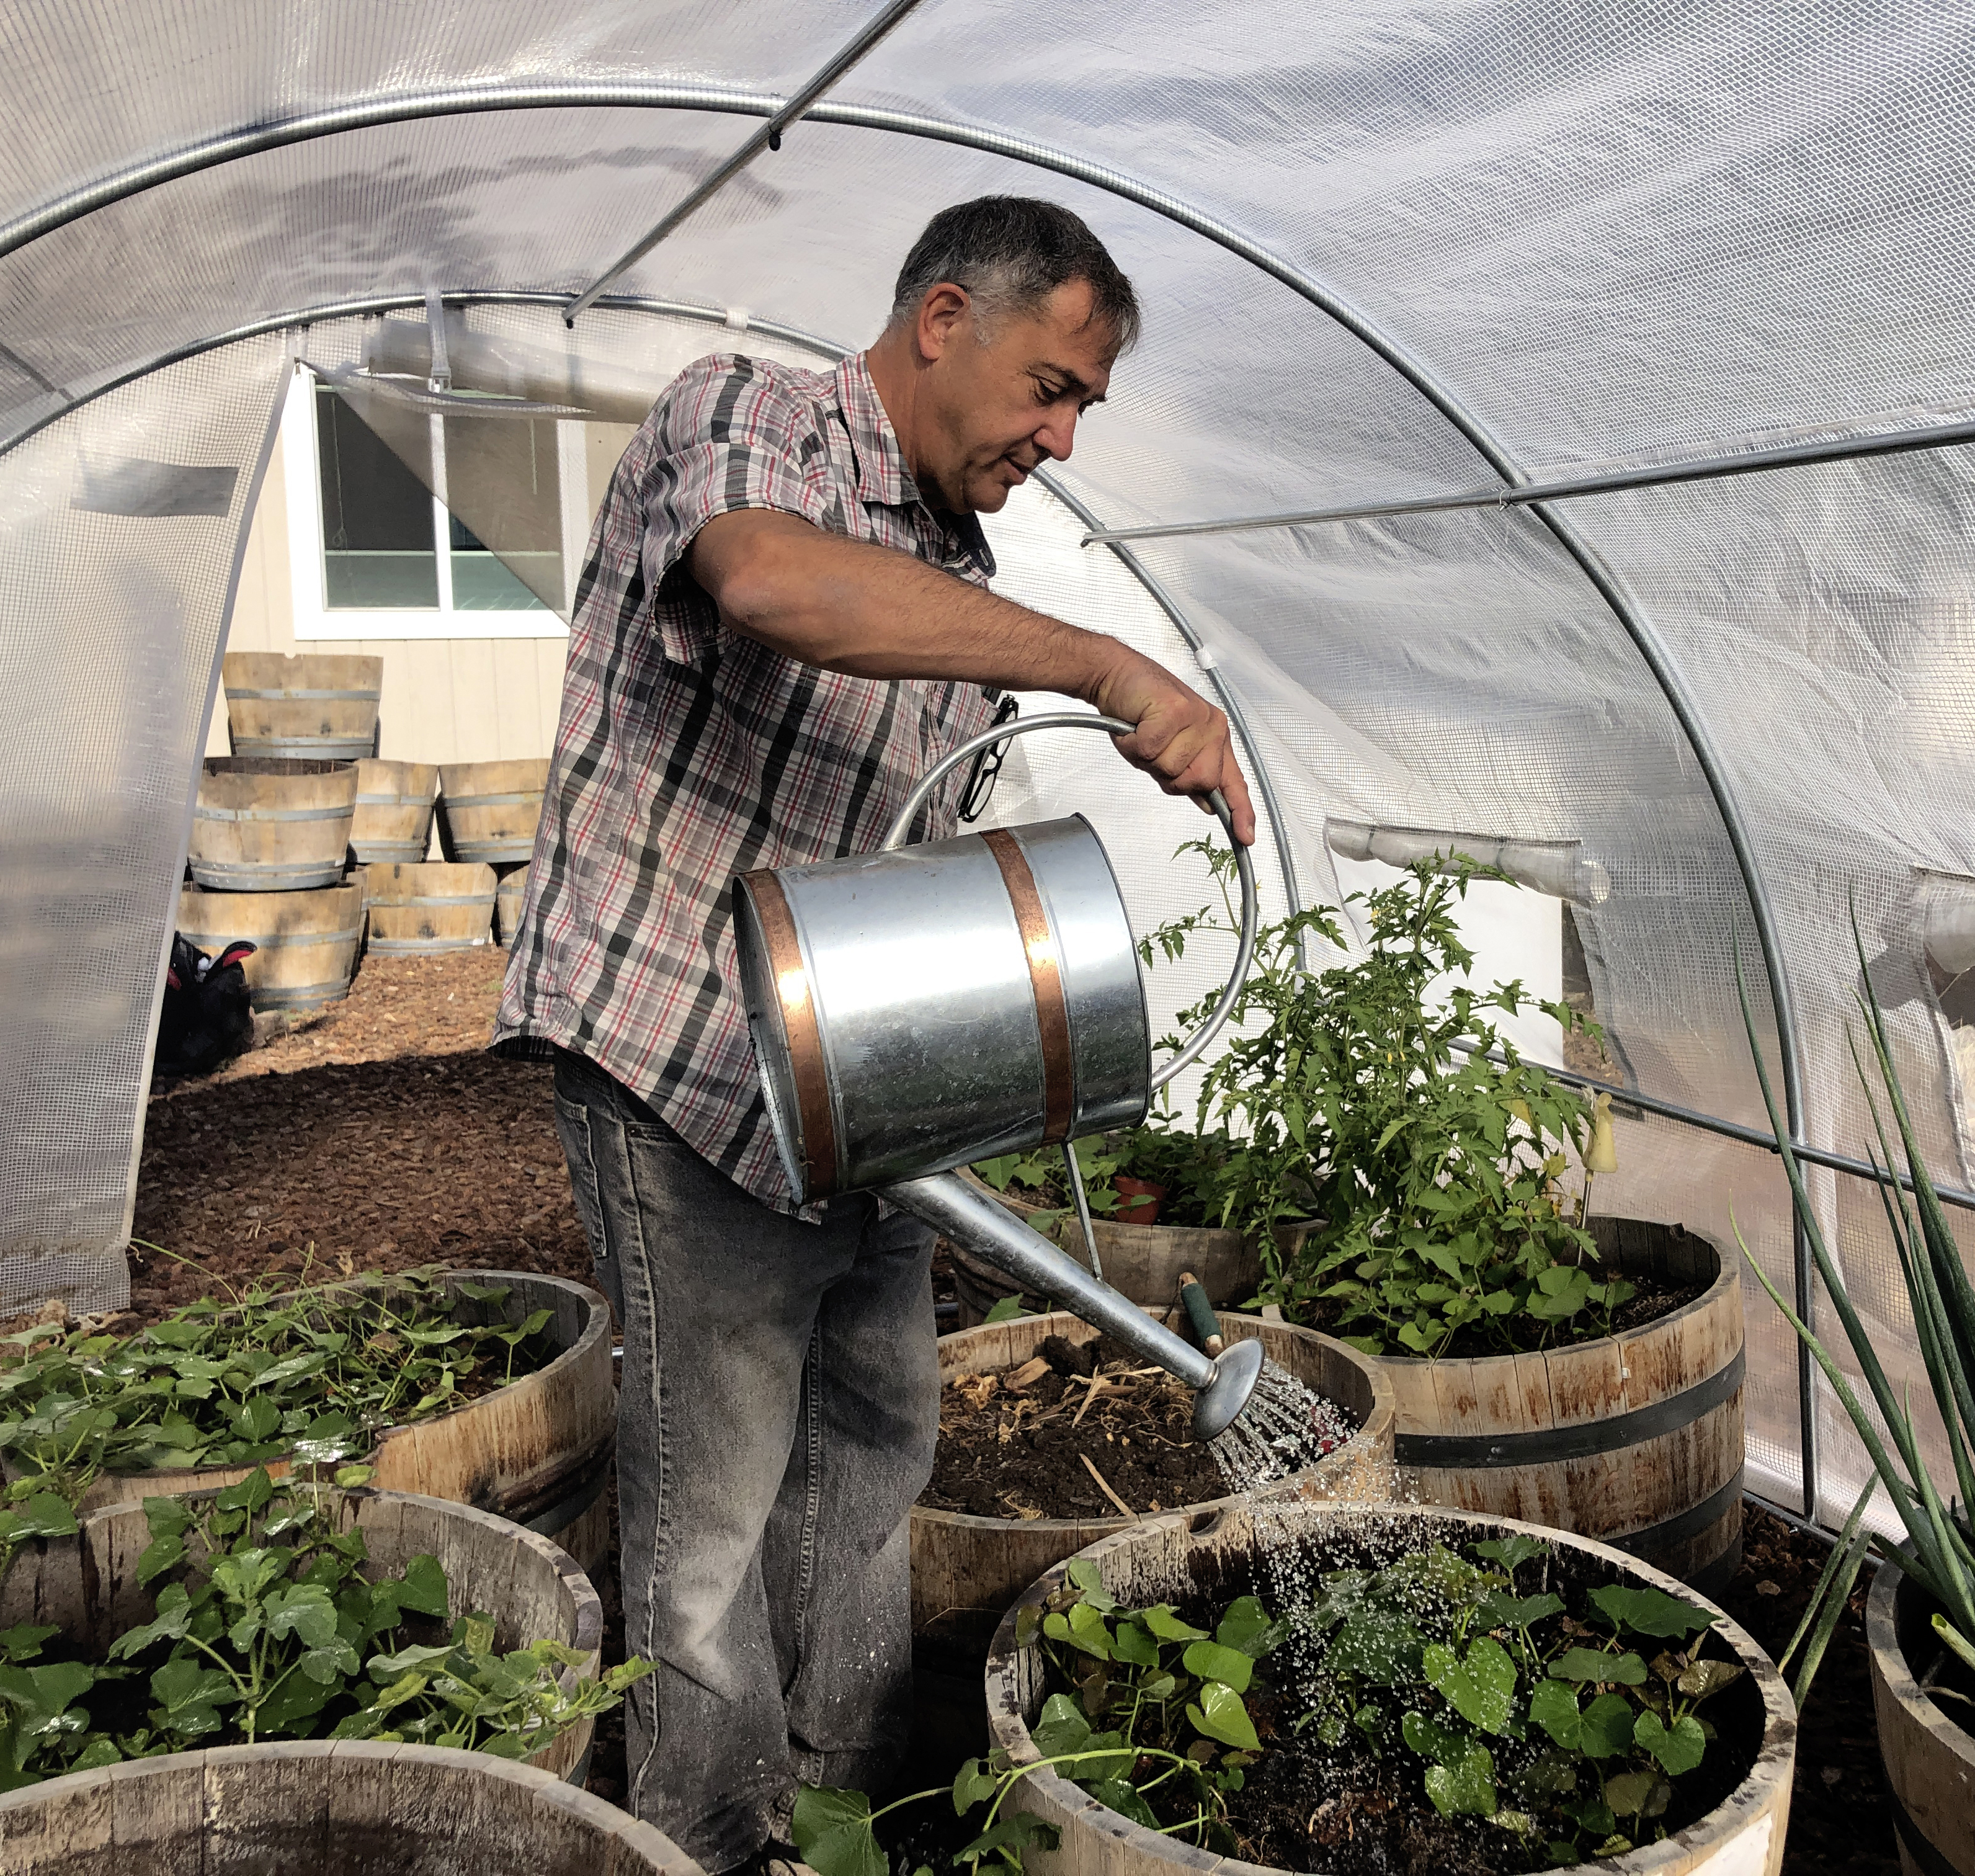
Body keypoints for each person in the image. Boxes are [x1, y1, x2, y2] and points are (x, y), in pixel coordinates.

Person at [493, 196, 1252, 1873]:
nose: (1058, 438)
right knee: (709, 1513)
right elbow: (764, 580)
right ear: (941, 323)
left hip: (853, 1099)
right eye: (1050, 388)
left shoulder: (963, 571)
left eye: (1083, 413)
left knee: (872, 1451)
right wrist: (1111, 667)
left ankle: (850, 1810)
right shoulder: (745, 419)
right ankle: (707, 1843)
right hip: (683, 1064)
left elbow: (901, 869)